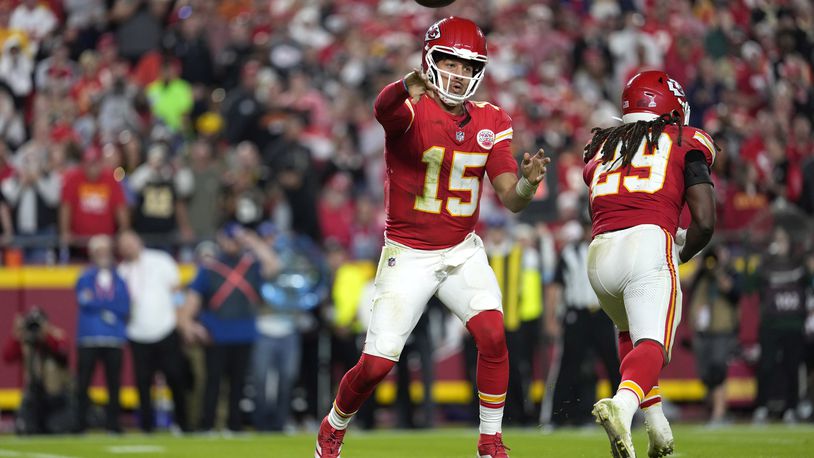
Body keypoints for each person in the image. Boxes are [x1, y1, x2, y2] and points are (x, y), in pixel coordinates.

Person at [315, 16, 549, 458]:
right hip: (409, 253)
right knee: (378, 364)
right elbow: (382, 110)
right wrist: (405, 85)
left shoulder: (492, 120)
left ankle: (490, 441)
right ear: (430, 61)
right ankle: (334, 425)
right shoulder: (411, 107)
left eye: (468, 66)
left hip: (461, 250)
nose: (459, 74)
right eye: (450, 63)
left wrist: (527, 185)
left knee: (494, 336)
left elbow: (509, 198)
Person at [583, 70, 717, 458]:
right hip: (647, 243)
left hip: (599, 254)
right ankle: (622, 408)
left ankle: (658, 429)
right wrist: (681, 252)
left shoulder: (601, 146)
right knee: (655, 343)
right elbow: (705, 221)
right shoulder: (683, 139)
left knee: (632, 333)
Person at [178, 224, 278, 432]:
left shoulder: (251, 265)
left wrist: (252, 240)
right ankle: (207, 425)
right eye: (229, 239)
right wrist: (188, 323)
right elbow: (193, 299)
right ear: (220, 240)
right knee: (212, 382)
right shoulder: (209, 268)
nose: (232, 243)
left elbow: (274, 266)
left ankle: (234, 425)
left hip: (244, 333)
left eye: (235, 239)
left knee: (238, 384)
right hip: (216, 333)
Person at [542, 217, 621, 428]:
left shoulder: (608, 250)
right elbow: (556, 287)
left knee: (613, 364)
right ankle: (557, 416)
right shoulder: (569, 253)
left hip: (602, 313)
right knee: (568, 366)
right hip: (577, 314)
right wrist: (551, 318)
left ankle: (624, 414)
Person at [117, 230, 189, 432]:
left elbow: (176, 290)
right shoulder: (122, 271)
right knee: (142, 381)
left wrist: (180, 318)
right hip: (137, 333)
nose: (128, 247)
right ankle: (147, 427)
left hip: (165, 327)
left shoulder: (161, 260)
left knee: (175, 376)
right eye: (124, 245)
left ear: (139, 240)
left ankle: (182, 423)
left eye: (130, 242)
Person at [752, 226, 812, 424]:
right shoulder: (767, 265)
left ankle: (791, 408)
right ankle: (761, 406)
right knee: (766, 366)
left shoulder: (799, 263)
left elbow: (810, 280)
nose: (780, 243)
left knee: (792, 368)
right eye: (776, 239)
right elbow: (749, 284)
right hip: (770, 324)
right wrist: (765, 258)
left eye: (783, 239)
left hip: (793, 324)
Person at [75, 235, 130, 433]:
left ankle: (113, 424)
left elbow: (124, 306)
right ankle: (80, 423)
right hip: (89, 337)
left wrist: (101, 305)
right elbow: (84, 300)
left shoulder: (119, 279)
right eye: (100, 251)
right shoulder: (85, 277)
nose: (104, 255)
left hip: (114, 338)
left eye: (107, 251)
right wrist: (109, 306)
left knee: (114, 383)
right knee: (83, 383)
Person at [686, 244, 742, 426]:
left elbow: (734, 292)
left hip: (722, 329)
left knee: (718, 369)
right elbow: (686, 284)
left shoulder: (732, 272)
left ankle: (719, 412)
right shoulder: (701, 276)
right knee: (705, 374)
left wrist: (718, 270)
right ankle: (716, 411)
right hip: (702, 331)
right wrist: (700, 265)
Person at [2, 308, 72, 434]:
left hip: (56, 397)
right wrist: (16, 333)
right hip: (33, 397)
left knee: (56, 429)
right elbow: (7, 357)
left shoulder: (56, 335)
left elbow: (63, 351)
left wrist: (46, 335)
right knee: (26, 430)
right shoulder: (26, 340)